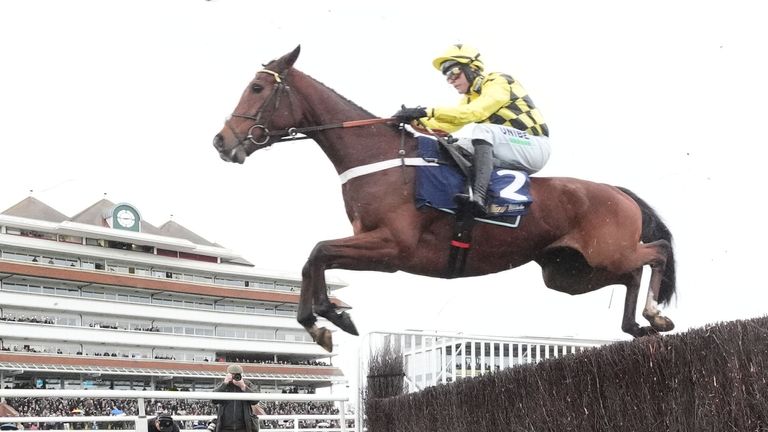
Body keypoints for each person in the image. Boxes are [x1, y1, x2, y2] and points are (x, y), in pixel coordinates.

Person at [394, 44, 551, 216]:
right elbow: (446, 127)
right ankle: (473, 197)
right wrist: (414, 120)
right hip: (510, 150)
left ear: (472, 69)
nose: (450, 80)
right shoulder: (470, 98)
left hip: (533, 146)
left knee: (483, 130)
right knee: (452, 145)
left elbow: (474, 113)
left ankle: (478, 196)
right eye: (446, 76)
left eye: (453, 72)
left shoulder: (498, 81)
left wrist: (426, 110)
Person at [212, 364, 261, 432]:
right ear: (228, 374)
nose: (235, 377)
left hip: (244, 427)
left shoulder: (247, 384)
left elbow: (256, 400)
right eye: (232, 375)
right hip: (224, 427)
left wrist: (243, 387)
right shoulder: (223, 384)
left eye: (237, 375)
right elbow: (213, 400)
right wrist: (224, 384)